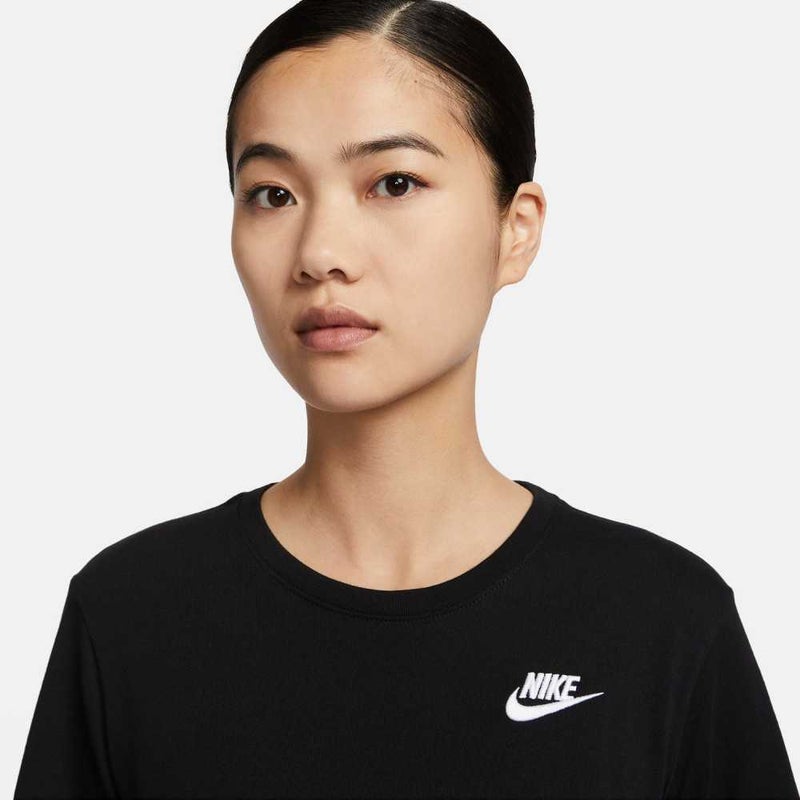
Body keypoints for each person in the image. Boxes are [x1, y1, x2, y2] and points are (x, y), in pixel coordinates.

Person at [14, 1, 798, 797]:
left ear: (516, 229)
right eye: (273, 194)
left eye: (394, 183)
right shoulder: (131, 616)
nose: (321, 254)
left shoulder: (663, 623)